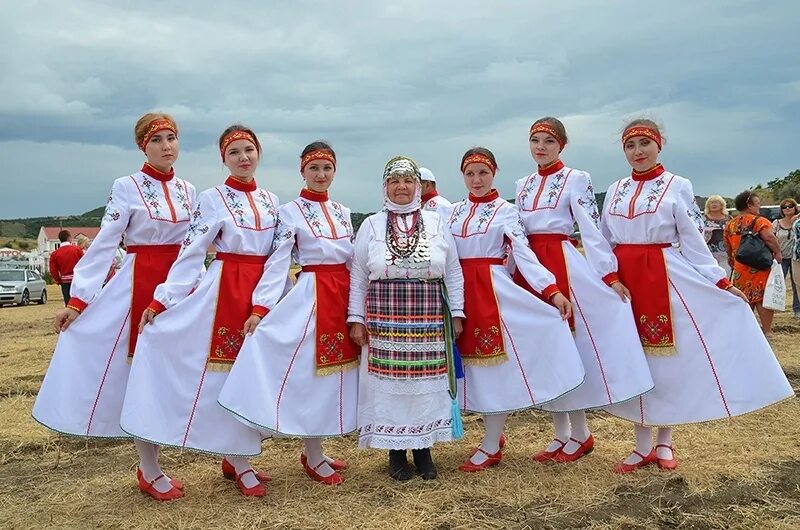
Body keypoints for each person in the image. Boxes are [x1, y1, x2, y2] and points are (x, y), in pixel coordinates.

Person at [602, 119, 793, 473]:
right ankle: (640, 445)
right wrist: (608, 276)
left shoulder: (678, 186)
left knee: (667, 360)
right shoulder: (614, 190)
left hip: (665, 276)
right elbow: (603, 240)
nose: (638, 152)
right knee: (635, 359)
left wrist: (720, 283)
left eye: (645, 143)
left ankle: (663, 442)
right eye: (630, 146)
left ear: (659, 146)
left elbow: (692, 240)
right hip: (625, 284)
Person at [32, 113, 195, 498]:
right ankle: (150, 467)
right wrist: (79, 299)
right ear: (143, 146)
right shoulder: (127, 186)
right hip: (139, 282)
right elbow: (106, 241)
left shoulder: (189, 189)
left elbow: (198, 243)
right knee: (139, 375)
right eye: (157, 140)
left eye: (172, 138)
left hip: (182, 282)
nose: (166, 145)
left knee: (176, 373)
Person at [120, 125, 279, 500]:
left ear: (259, 153)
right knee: (221, 377)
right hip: (224, 289)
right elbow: (192, 251)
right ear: (223, 158)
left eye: (249, 150)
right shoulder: (211, 198)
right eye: (234, 152)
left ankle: (236, 457)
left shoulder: (272, 200)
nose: (243, 158)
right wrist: (164, 300)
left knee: (251, 376)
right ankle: (237, 461)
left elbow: (276, 256)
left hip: (261, 292)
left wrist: (270, 300)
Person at [219, 142, 357, 486]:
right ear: (302, 172)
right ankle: (297, 455)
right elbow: (278, 260)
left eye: (327, 168)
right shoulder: (290, 211)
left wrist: (360, 304)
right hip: (311, 297)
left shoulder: (342, 210)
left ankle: (315, 449)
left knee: (330, 378)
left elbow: (354, 259)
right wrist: (262, 307)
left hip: (341, 296)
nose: (321, 175)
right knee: (308, 375)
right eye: (314, 169)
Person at [515, 118, 653, 463]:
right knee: (545, 349)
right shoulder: (522, 184)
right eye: (535, 140)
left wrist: (608, 275)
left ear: (562, 144)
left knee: (570, 346)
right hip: (531, 266)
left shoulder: (576, 178)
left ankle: (581, 433)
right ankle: (561, 432)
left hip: (561, 263)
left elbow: (591, 229)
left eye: (549, 140)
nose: (541, 147)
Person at [447, 147, 585, 472]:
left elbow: (523, 253)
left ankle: (492, 442)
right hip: (458, 292)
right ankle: (492, 434)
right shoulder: (450, 213)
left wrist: (550, 290)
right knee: (472, 369)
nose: (477, 180)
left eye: (483, 172)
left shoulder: (505, 211)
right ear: (462, 176)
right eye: (470, 173)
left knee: (492, 367)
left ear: (494, 173)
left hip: (491, 293)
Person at [347, 156, 465, 481]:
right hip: (384, 320)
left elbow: (453, 270)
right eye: (394, 181)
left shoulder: (436, 222)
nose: (401, 186)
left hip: (428, 317)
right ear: (385, 187)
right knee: (391, 387)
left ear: (418, 186)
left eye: (408, 180)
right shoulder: (370, 224)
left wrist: (456, 312)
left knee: (425, 387)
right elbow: (358, 275)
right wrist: (356, 318)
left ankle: (424, 450)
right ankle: (396, 453)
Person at [724, 191, 782, 338]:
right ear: (749, 205)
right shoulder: (760, 221)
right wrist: (777, 252)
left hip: (739, 267)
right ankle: (767, 330)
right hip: (759, 265)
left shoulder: (730, 224)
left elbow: (727, 246)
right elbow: (769, 237)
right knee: (762, 298)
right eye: (757, 204)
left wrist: (732, 261)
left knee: (744, 298)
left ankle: (747, 330)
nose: (759, 207)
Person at [773, 198, 800, 315]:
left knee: (797, 284)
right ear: (781, 210)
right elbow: (771, 239)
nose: (787, 208)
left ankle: (797, 309)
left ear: (795, 207)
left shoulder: (798, 223)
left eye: (790, 206)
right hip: (781, 258)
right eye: (784, 207)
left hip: (796, 257)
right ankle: (774, 306)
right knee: (778, 283)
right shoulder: (776, 223)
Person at [48, 230, 84, 304]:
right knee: (80, 302)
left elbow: (53, 271)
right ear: (69, 238)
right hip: (78, 279)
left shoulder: (55, 254)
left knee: (69, 303)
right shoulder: (77, 249)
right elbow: (84, 264)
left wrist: (59, 281)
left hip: (65, 281)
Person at [703, 195, 731, 277]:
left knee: (725, 278)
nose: (713, 204)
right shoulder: (702, 219)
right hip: (708, 254)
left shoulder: (729, 219)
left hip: (725, 255)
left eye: (716, 202)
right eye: (711, 202)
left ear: (722, 205)